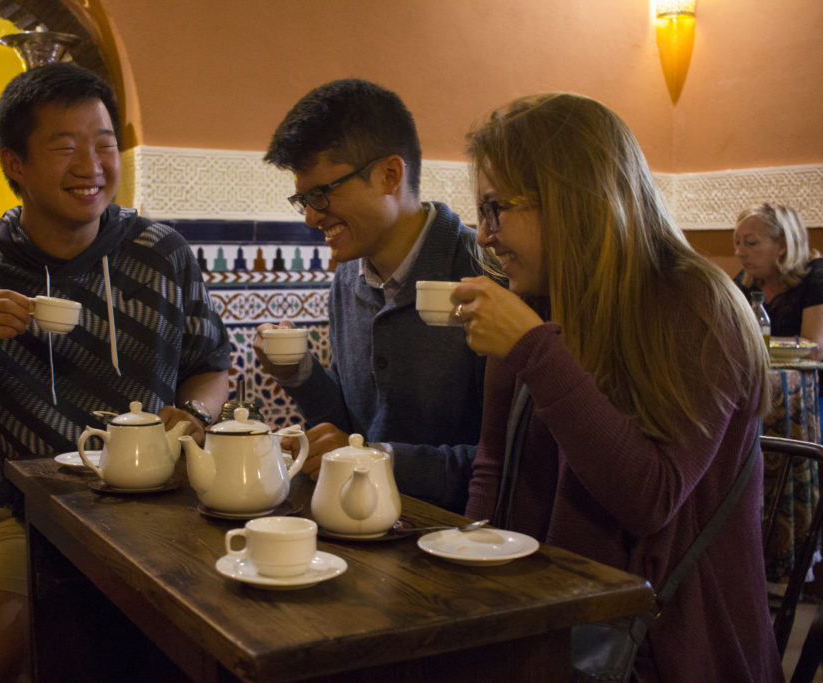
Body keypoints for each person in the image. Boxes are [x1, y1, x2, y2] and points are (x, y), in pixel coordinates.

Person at [0, 63, 231, 683]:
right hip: (34, 519)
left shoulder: (162, 252)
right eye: (65, 146)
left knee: (220, 636)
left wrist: (195, 414)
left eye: (104, 143)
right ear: (15, 163)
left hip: (167, 507)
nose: (91, 165)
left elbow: (211, 367)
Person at [454, 93, 782, 681]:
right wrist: (469, 579)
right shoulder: (534, 301)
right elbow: (492, 465)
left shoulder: (696, 305)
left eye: (497, 209)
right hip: (547, 631)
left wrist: (533, 348)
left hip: (662, 647)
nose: (484, 235)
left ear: (571, 199)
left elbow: (650, 497)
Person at [255, 78, 490, 513]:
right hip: (365, 530)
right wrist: (300, 374)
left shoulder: (485, 272)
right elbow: (353, 428)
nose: (310, 217)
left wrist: (376, 460)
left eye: (322, 194)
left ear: (389, 175)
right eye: (302, 198)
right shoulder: (349, 275)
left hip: (462, 543)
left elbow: (507, 466)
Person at [733, 202, 823, 358]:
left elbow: (815, 348)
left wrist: (756, 343)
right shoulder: (745, 281)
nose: (739, 252)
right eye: (737, 242)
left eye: (751, 243)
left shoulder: (816, 275)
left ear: (783, 245)